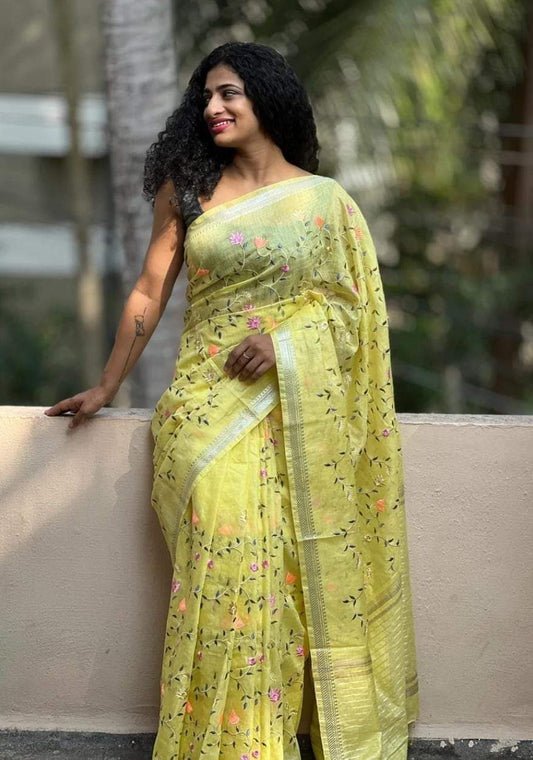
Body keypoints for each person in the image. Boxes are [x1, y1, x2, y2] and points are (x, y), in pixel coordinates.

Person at [45, 41, 419, 760]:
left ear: (267, 99)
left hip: (294, 418)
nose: (212, 108)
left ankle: (265, 741)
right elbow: (149, 290)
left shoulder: (325, 202)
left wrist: (285, 343)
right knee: (223, 576)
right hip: (203, 415)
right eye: (206, 97)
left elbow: (352, 312)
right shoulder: (189, 188)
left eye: (229, 94)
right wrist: (107, 385)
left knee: (282, 581)